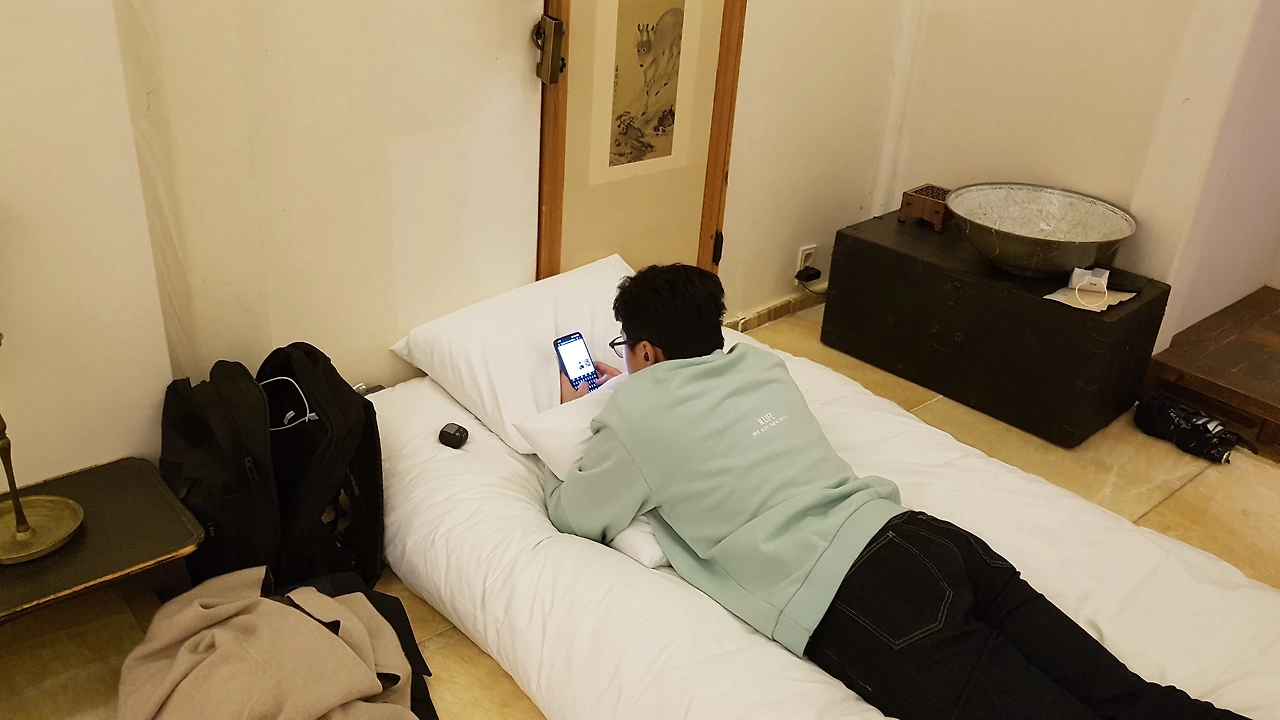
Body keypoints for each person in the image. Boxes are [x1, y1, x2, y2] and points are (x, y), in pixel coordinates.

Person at [543, 263, 1247, 720]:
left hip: (860, 600)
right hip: (923, 538)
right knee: (1132, 701)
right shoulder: (761, 367)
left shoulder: (635, 413)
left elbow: (575, 513)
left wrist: (605, 407)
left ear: (645, 352)